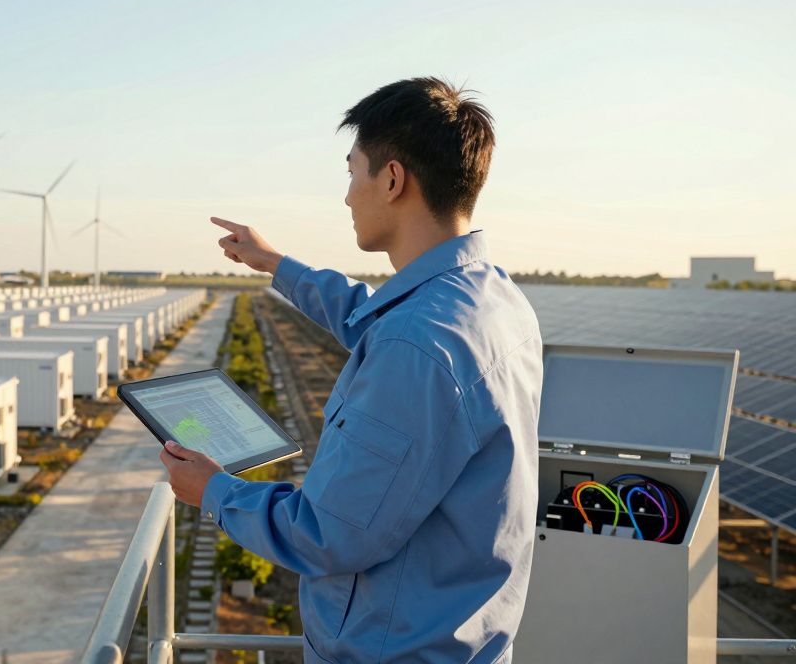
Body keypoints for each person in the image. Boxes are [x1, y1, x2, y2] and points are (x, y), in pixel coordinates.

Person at [159, 77, 543, 663]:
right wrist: (275, 264)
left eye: (351, 172)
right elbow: (374, 317)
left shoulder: (419, 344)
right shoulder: (490, 299)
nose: (346, 197)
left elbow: (329, 534)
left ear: (392, 180)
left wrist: (214, 491)